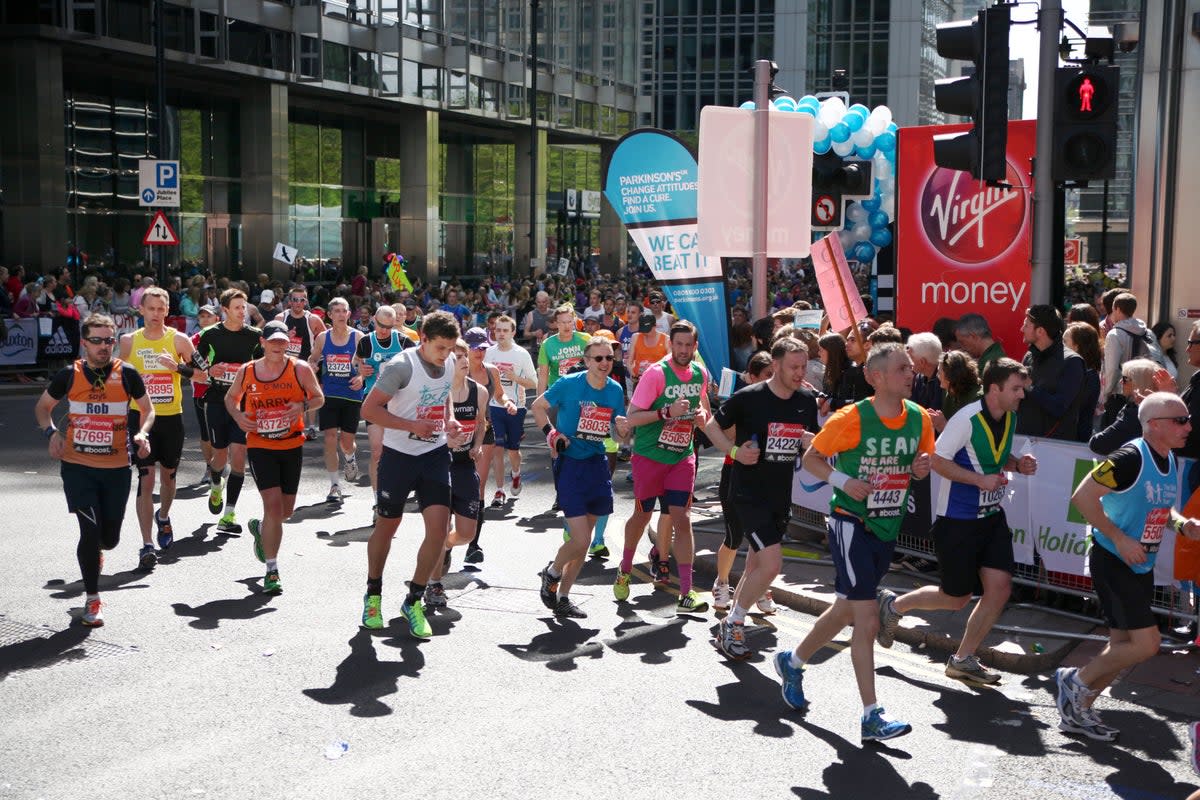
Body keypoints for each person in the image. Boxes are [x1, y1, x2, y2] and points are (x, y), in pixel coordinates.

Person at [772, 342, 934, 741]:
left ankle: (793, 661)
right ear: (876, 378)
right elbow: (812, 458)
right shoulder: (851, 418)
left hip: (886, 526)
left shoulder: (918, 419)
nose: (910, 374)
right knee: (867, 619)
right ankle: (871, 715)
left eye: (911, 368)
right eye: (902, 369)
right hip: (849, 522)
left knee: (846, 609)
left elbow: (920, 471)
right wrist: (844, 481)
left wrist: (918, 468)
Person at [877, 359, 1038, 684]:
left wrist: (1018, 464)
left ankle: (963, 658)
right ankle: (894, 606)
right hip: (958, 520)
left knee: (1000, 589)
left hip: (992, 518)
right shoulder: (966, 419)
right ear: (995, 389)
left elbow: (994, 457)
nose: (1022, 394)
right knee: (956, 597)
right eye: (1016, 388)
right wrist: (978, 481)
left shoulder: (1010, 417)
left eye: (1023, 388)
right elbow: (937, 460)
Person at [1058, 392, 1200, 741]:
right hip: (1113, 559)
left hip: (1139, 563)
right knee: (1146, 644)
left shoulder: (1170, 460)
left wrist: (1182, 525)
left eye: (1188, 419)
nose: (1189, 426)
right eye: (1180, 420)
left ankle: (1078, 711)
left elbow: (1160, 509)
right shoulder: (1129, 457)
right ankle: (1072, 681)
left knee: (1120, 647)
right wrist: (1119, 538)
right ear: (1154, 425)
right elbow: (1082, 497)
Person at [34, 313, 154, 627]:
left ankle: (98, 552)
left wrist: (143, 433)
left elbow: (148, 409)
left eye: (108, 341)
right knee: (89, 531)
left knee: (109, 538)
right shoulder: (68, 374)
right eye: (96, 341)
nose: (103, 347)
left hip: (116, 468)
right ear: (84, 343)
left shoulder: (127, 373)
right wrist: (51, 434)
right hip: (77, 467)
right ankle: (92, 599)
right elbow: (43, 408)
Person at [707, 337, 819, 658]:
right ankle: (735, 622)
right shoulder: (749, 398)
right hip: (747, 492)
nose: (800, 373)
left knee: (757, 563)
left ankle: (732, 621)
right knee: (771, 564)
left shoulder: (805, 401)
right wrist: (734, 452)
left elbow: (804, 441)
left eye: (804, 366)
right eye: (794, 367)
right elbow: (713, 426)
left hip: (780, 494)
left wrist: (819, 443)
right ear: (777, 365)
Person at [359, 311, 466, 639]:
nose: (446, 355)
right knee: (387, 527)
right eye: (440, 347)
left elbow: (443, 395)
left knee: (438, 530)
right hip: (398, 457)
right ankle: (373, 595)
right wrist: (410, 426)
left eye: (450, 348)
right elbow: (369, 410)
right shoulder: (401, 366)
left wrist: (449, 420)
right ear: (423, 340)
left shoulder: (448, 364)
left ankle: (414, 600)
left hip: (433, 455)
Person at [612, 320, 712, 613]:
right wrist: (666, 412)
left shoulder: (699, 372)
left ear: (695, 347)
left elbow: (703, 405)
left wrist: (701, 417)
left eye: (688, 345)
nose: (683, 350)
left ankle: (686, 592)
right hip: (650, 457)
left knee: (682, 519)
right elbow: (632, 418)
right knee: (642, 516)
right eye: (678, 344)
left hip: (682, 457)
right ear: (671, 345)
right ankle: (626, 567)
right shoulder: (657, 374)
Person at [224, 321, 324, 594]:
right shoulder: (248, 371)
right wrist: (238, 416)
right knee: (272, 506)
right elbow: (231, 399)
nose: (279, 346)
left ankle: (261, 530)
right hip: (260, 446)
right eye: (274, 341)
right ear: (263, 343)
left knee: (286, 512)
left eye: (283, 341)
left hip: (291, 445)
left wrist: (302, 405)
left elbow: (319, 398)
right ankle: (272, 569)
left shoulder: (299, 369)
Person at [533, 336, 630, 618]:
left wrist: (624, 429)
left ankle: (563, 596)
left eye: (609, 358)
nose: (604, 363)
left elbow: (620, 431)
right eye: (598, 358)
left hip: (597, 463)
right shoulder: (569, 383)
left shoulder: (614, 390)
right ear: (587, 361)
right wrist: (552, 435)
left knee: (585, 542)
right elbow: (538, 407)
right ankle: (551, 573)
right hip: (570, 464)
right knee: (579, 538)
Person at [118, 286, 200, 570]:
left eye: (160, 309)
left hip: (170, 418)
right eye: (150, 308)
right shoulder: (129, 342)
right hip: (139, 418)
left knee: (168, 477)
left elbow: (204, 373)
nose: (155, 314)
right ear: (141, 310)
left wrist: (177, 368)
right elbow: (118, 380)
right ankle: (146, 545)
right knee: (146, 478)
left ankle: (163, 516)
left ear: (167, 310)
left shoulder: (179, 340)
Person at [423, 338, 490, 606]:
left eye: (464, 356)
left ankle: (448, 546)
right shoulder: (434, 392)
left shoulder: (479, 392)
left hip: (464, 467)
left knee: (466, 533)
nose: (463, 361)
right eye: (457, 357)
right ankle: (434, 585)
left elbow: (481, 423)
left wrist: (476, 445)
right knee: (439, 529)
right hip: (438, 465)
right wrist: (443, 440)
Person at [195, 288, 262, 534]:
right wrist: (210, 370)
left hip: (244, 404)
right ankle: (215, 485)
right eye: (237, 307)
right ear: (224, 310)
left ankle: (229, 515)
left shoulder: (255, 335)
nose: (242, 312)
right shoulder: (211, 334)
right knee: (219, 457)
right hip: (216, 401)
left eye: (244, 307)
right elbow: (196, 361)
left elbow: (263, 364)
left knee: (239, 458)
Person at [709, 351, 773, 609]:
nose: (772, 380)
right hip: (735, 473)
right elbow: (726, 432)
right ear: (752, 377)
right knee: (735, 536)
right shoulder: (739, 400)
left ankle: (759, 587)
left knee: (763, 537)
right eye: (767, 376)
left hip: (766, 475)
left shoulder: (782, 401)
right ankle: (722, 583)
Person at [353, 305, 414, 507]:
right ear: (374, 320)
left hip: (399, 401)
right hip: (374, 400)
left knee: (401, 451)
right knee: (377, 450)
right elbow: (356, 362)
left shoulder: (404, 341)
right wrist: (360, 370)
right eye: (380, 325)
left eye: (388, 326)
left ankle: (396, 492)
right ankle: (378, 499)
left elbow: (419, 364)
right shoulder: (365, 342)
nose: (384, 330)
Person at [309, 297, 365, 504]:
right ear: (330, 315)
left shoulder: (358, 337)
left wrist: (361, 377)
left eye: (345, 311)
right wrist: (312, 365)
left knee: (346, 442)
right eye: (337, 311)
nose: (342, 314)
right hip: (330, 394)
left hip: (351, 395)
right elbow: (313, 357)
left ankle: (350, 458)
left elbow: (366, 366)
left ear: (349, 314)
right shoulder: (323, 338)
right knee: (330, 437)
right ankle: (334, 485)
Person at [484, 314, 537, 506]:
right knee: (497, 448)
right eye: (498, 330)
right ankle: (499, 491)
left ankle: (516, 474)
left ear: (513, 332)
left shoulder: (521, 354)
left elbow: (534, 382)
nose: (501, 334)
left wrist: (515, 378)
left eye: (505, 330)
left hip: (516, 407)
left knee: (513, 450)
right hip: (494, 407)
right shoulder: (488, 352)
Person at [1019, 304, 1085, 441]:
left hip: (1054, 447)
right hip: (1024, 441)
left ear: (1040, 331)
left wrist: (1030, 386)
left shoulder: (1072, 362)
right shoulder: (1029, 356)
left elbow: (1059, 407)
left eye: (1026, 325)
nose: (1021, 329)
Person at [1101, 292, 1164, 427]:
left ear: (1117, 309)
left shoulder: (1115, 334)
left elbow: (1111, 369)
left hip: (1121, 394)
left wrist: (1106, 394)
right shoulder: (1148, 332)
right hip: (1145, 394)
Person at [1089, 358, 1173, 456]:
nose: (1120, 382)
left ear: (1138, 383)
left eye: (1125, 379)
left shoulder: (1135, 414)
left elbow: (1098, 444)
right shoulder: (1163, 414)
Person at [275, 284, 325, 439]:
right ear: (289, 301)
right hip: (285, 364)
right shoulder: (280, 318)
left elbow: (325, 340)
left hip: (306, 364)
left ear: (306, 301)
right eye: (295, 300)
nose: (298, 303)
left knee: (309, 396)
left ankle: (311, 428)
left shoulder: (313, 319)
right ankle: (289, 426)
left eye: (301, 300)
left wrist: (315, 361)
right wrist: (285, 337)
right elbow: (270, 342)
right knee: (286, 395)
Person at [190, 303, 221, 485]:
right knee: (205, 434)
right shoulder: (193, 340)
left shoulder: (224, 336)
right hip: (201, 391)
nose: (205, 319)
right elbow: (186, 362)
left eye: (209, 316)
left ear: (216, 318)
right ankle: (210, 468)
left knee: (221, 431)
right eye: (202, 316)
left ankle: (221, 463)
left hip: (222, 390)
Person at [536, 304, 591, 396]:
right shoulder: (547, 344)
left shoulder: (586, 339)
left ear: (573, 321)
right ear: (556, 324)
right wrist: (539, 402)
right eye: (563, 322)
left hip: (583, 390)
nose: (567, 326)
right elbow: (543, 376)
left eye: (569, 322)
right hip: (558, 391)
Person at [1064, 321, 1103, 443]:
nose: (1061, 346)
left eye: (1065, 342)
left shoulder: (1088, 376)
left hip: (1075, 440)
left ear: (1077, 346)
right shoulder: (1084, 372)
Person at [625, 313, 669, 386]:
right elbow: (629, 362)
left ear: (655, 325)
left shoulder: (666, 339)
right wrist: (633, 375)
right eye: (643, 330)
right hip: (639, 381)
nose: (645, 332)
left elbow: (670, 365)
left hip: (659, 382)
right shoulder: (636, 337)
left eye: (648, 330)